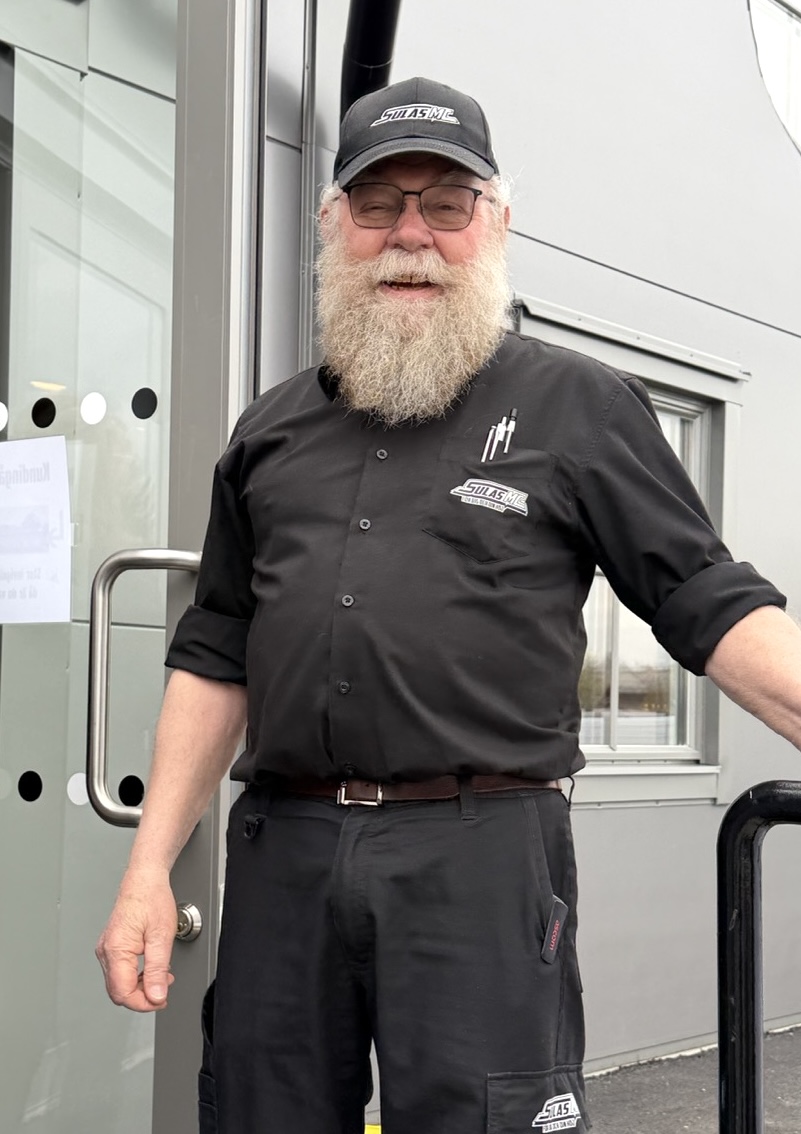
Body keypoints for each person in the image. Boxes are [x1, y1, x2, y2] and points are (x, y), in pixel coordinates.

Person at [96, 76, 801, 1134]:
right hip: (285, 850)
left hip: (480, 851)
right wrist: (148, 868)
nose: (410, 234)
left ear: (497, 221)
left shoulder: (578, 406)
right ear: (333, 223)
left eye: (446, 203)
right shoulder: (267, 434)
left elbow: (705, 596)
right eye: (378, 203)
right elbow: (216, 654)